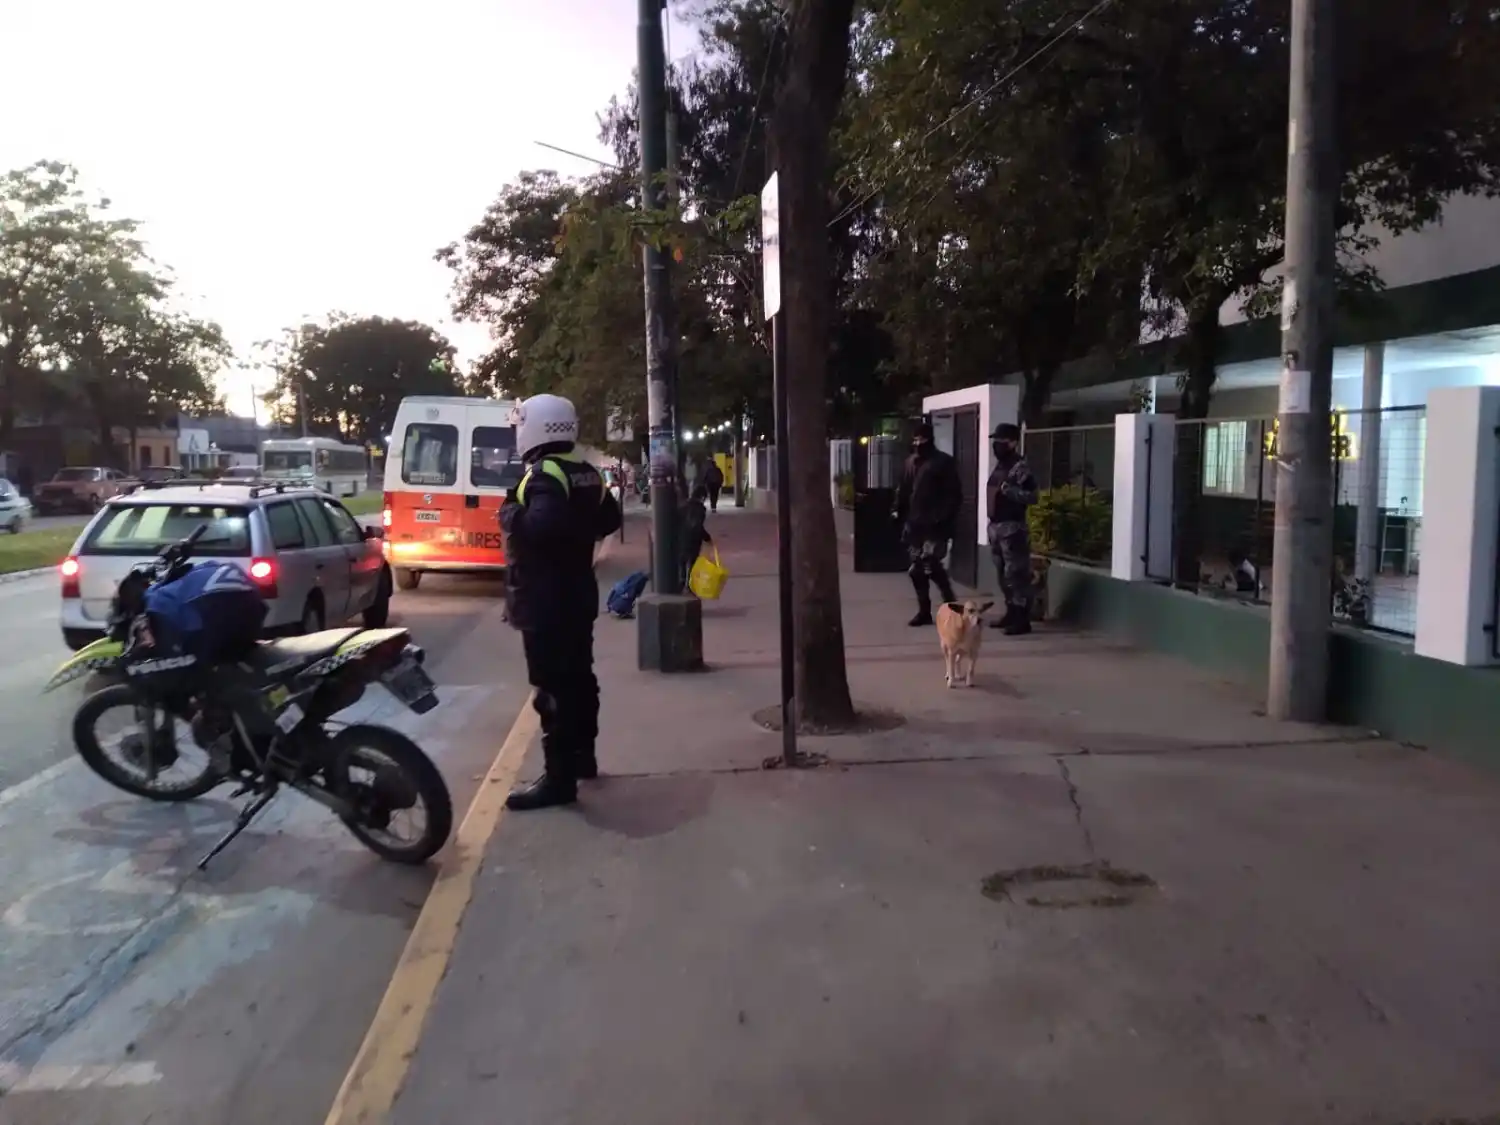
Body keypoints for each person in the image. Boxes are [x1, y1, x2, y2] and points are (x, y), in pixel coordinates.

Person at [499, 394, 623, 811]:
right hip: (576, 592)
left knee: (552, 689)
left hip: (544, 600)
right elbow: (610, 520)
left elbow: (542, 526)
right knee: (580, 679)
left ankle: (559, 779)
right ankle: (583, 758)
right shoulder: (585, 471)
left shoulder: (544, 474)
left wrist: (510, 513)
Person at [893, 421, 963, 626]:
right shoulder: (910, 462)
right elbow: (903, 489)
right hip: (915, 525)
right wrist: (897, 510)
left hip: (935, 526)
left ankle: (951, 604)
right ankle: (925, 610)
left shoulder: (943, 462)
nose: (918, 443)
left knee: (931, 565)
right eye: (915, 439)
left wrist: (942, 518)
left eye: (922, 439)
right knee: (916, 570)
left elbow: (954, 495)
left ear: (930, 439)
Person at [985, 423, 1039, 635]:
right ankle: (1011, 612)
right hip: (996, 527)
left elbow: (1033, 496)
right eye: (995, 441)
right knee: (1002, 574)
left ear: (1013, 442)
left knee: (1016, 574)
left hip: (1012, 528)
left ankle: (1022, 618)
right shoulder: (1000, 466)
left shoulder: (1020, 467)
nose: (996, 445)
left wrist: (1010, 491)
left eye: (1001, 441)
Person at [679, 483, 715, 590]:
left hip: (681, 536)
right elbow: (698, 526)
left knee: (682, 560)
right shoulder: (700, 509)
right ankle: (688, 584)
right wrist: (707, 537)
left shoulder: (683, 506)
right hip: (694, 539)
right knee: (692, 561)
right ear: (702, 497)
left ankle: (681, 579)